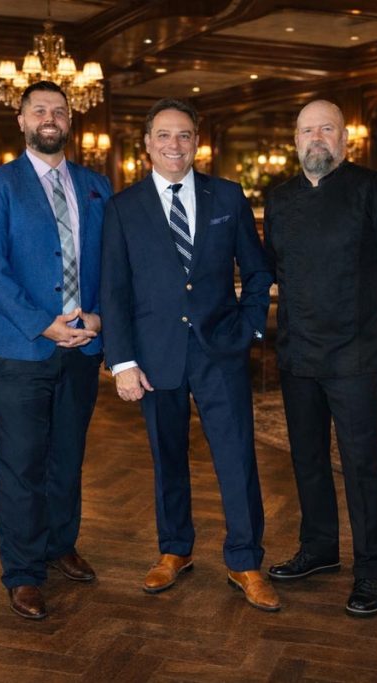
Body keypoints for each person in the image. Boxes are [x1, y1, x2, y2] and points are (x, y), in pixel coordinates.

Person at [100, 98, 279, 612]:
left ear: (197, 140)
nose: (173, 145)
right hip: (155, 358)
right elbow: (114, 290)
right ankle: (174, 550)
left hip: (220, 349)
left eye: (183, 135)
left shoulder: (228, 196)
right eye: (163, 135)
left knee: (237, 457)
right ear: (147, 143)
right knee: (167, 457)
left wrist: (248, 327)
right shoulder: (123, 207)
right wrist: (123, 361)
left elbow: (258, 269)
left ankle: (244, 561)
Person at [263, 99, 377, 617]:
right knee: (306, 459)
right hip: (297, 351)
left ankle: (373, 572)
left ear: (345, 138)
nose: (317, 138)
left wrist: (360, 311)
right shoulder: (280, 198)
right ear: (295, 140)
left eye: (326, 129)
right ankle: (319, 549)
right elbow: (277, 271)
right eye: (307, 129)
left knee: (361, 465)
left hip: (354, 354)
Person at [0, 81, 112, 620]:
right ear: (22, 121)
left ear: (70, 121)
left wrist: (101, 319)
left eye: (59, 110)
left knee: (68, 456)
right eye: (39, 111)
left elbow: (113, 264)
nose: (49, 118)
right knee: (21, 463)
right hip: (20, 347)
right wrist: (42, 324)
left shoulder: (97, 185)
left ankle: (60, 544)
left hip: (83, 346)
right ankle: (23, 571)